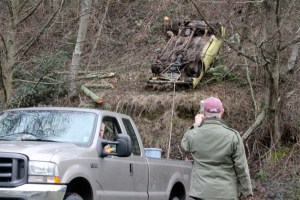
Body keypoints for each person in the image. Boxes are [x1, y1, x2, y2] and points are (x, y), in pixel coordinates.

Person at [181, 97, 253, 200]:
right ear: (222, 111)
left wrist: (196, 124)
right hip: (227, 193)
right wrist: (247, 193)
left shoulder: (194, 134)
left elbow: (184, 145)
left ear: (203, 113)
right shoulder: (233, 136)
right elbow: (241, 167)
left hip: (201, 193)